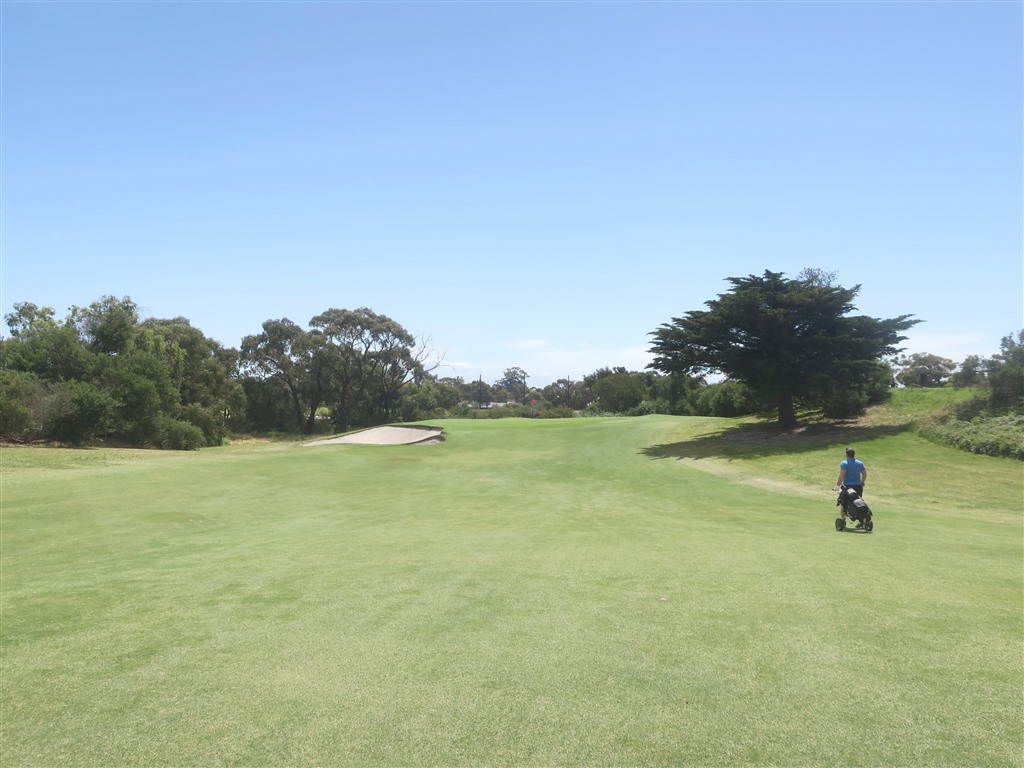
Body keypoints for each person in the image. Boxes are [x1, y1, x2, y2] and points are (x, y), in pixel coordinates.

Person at [834, 447, 868, 527]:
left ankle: (843, 521)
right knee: (859, 503)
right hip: (858, 487)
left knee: (844, 504)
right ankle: (862, 521)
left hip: (847, 487)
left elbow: (842, 474)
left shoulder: (844, 463)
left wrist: (837, 485)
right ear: (854, 454)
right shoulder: (859, 463)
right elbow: (864, 474)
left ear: (846, 454)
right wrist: (862, 482)